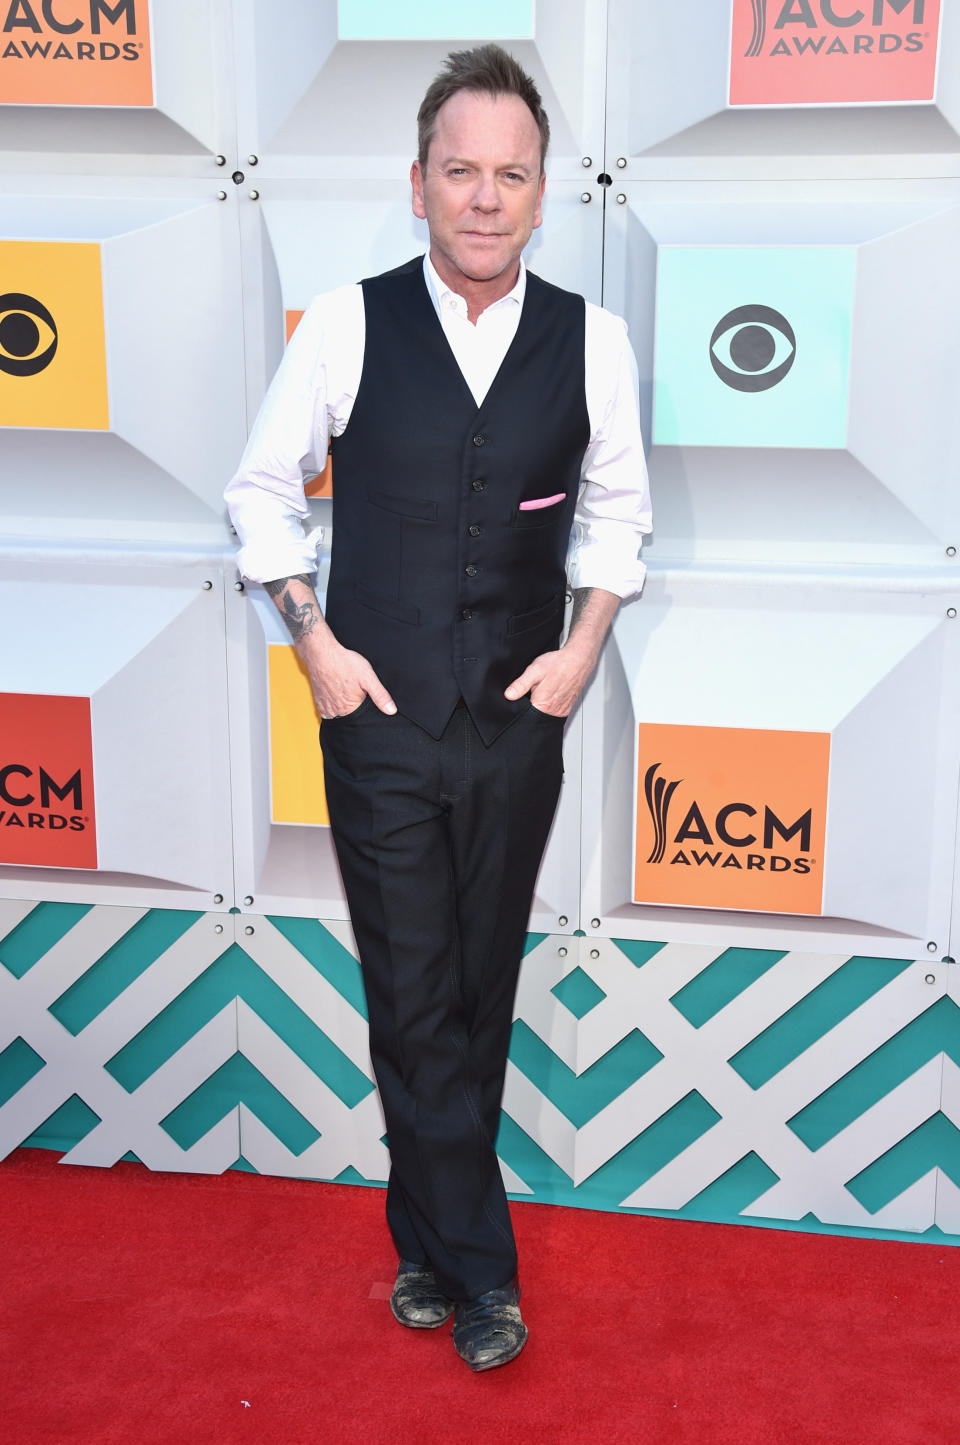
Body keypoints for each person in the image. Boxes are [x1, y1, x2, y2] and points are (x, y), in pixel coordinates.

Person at [225, 44, 652, 1373]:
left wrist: (583, 649)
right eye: (459, 171)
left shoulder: (595, 339)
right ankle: (485, 1273)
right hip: (380, 718)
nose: (484, 196)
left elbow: (617, 517)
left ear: (542, 193)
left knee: (474, 988)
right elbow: (260, 491)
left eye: (510, 175)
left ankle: (422, 1239)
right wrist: (314, 641)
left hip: (520, 716)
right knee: (413, 990)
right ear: (418, 185)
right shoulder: (349, 324)